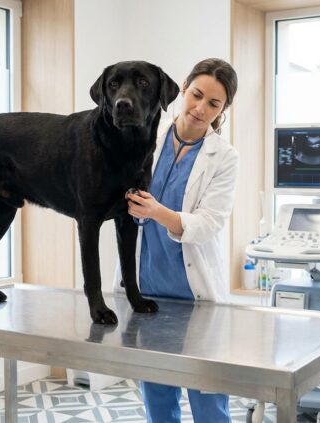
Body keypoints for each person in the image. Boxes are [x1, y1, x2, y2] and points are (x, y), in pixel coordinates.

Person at [125, 58, 239, 423]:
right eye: (197, 95)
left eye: (214, 104)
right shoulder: (146, 137)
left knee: (209, 404)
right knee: (158, 401)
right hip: (148, 293)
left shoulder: (224, 158)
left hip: (195, 295)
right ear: (184, 88)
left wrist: (156, 211)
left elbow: (208, 223)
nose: (201, 108)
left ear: (223, 109)